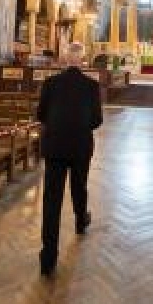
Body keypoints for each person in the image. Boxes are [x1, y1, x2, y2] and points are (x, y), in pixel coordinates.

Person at [36, 42, 103, 277]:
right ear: (83, 60)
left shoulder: (50, 83)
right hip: (80, 146)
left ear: (65, 60)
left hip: (54, 146)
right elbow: (97, 121)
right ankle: (80, 221)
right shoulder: (91, 86)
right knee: (79, 186)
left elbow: (41, 114)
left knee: (51, 200)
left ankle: (48, 257)